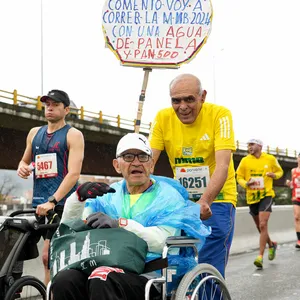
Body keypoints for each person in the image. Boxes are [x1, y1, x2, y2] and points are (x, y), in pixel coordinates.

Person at [50, 132, 210, 300]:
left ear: (151, 164)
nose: (136, 162)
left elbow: (163, 240)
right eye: (128, 156)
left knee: (102, 277)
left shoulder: (168, 196)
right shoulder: (107, 195)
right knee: (64, 280)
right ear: (117, 165)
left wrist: (120, 224)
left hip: (150, 273)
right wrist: (78, 199)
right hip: (104, 265)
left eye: (142, 156)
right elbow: (70, 230)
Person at [148, 73, 237, 278]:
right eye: (176, 101)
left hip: (218, 201)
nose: (183, 106)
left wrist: (205, 200)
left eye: (189, 99)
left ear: (202, 96)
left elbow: (222, 166)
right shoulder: (162, 118)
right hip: (182, 203)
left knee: (207, 268)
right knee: (174, 266)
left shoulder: (220, 115)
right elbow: (148, 163)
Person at [17, 89, 84, 284]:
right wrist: (23, 168)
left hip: (62, 203)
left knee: (48, 256)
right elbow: (24, 161)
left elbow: (74, 174)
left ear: (66, 109)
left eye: (55, 105)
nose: (50, 108)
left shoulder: (73, 135)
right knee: (18, 249)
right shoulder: (34, 133)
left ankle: (53, 293)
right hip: (39, 203)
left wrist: (53, 200)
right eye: (47, 104)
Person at [236, 138, 283, 269]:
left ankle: (260, 257)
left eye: (251, 144)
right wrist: (246, 183)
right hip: (252, 197)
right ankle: (271, 244)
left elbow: (280, 172)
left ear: (259, 145)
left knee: (263, 224)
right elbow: (238, 176)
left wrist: (274, 175)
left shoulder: (270, 158)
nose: (249, 147)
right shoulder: (245, 161)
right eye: (248, 145)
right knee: (259, 227)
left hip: (266, 195)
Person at [285, 153, 300, 249]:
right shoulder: (293, 171)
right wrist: (289, 183)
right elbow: (292, 185)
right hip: (296, 196)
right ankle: (299, 240)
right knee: (297, 217)